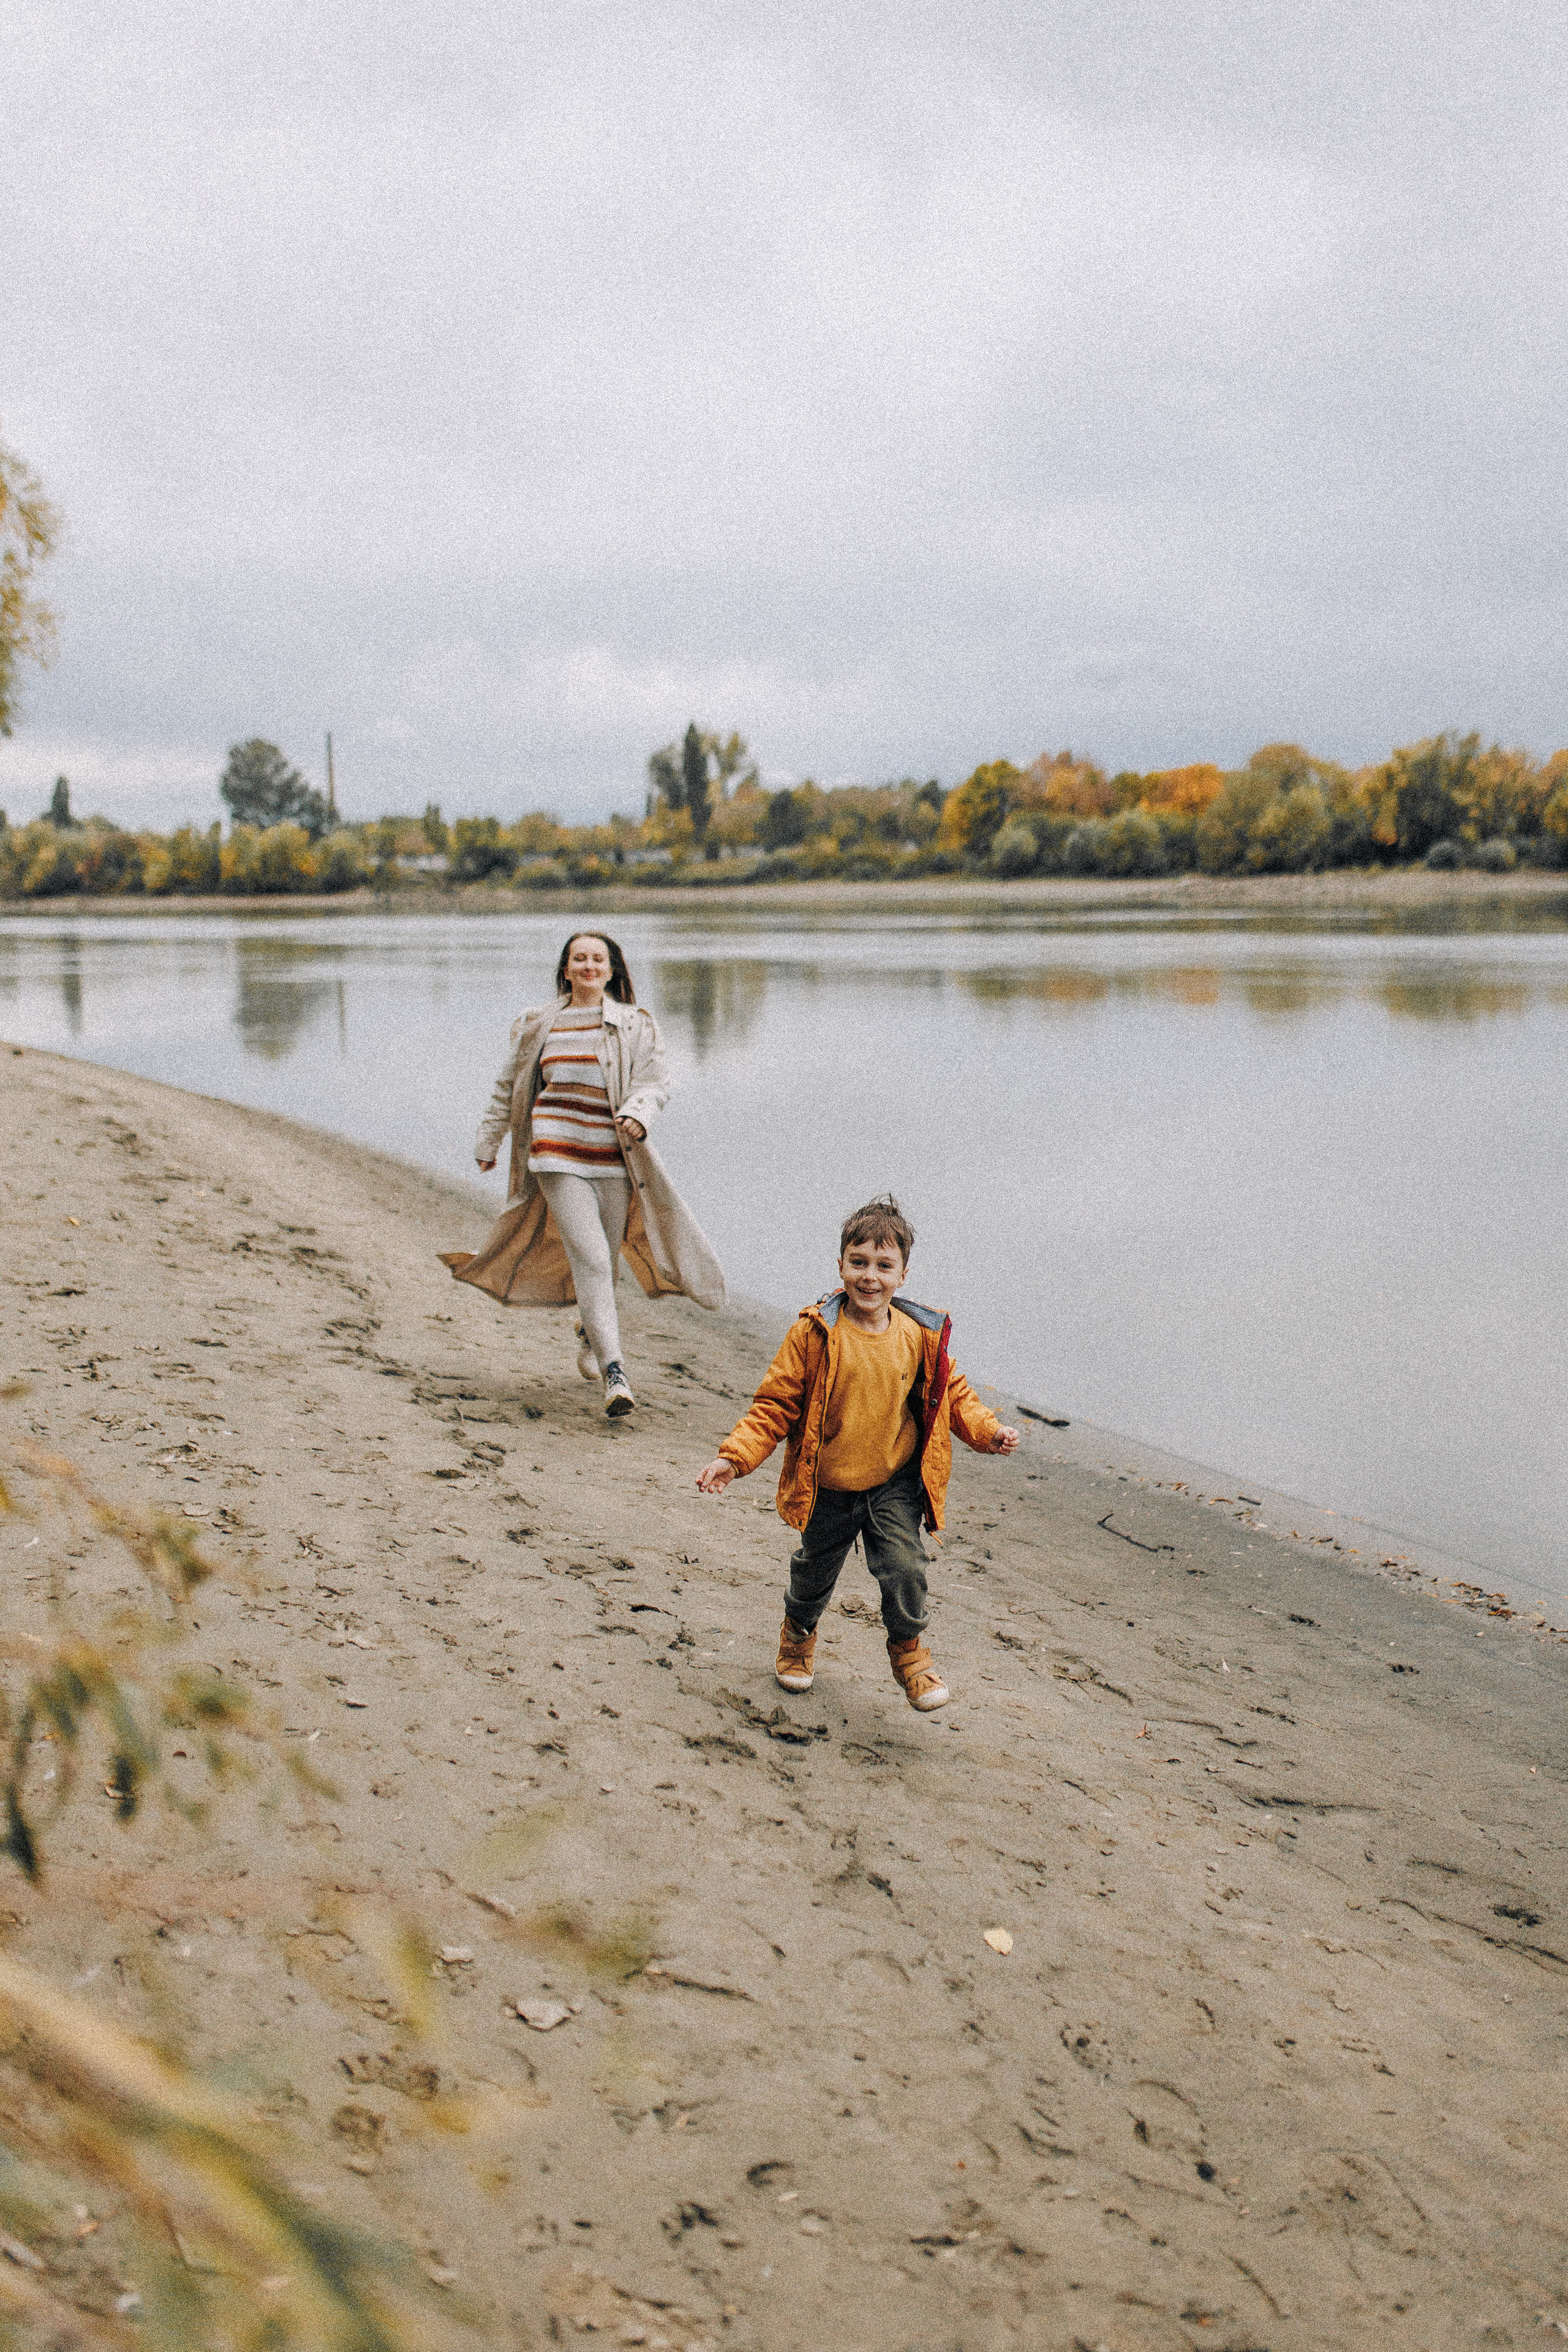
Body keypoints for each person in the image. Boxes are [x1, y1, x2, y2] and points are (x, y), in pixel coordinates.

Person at [696, 1193, 1018, 1709]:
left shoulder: (919, 1336)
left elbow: (954, 1395)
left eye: (884, 1266)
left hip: (892, 1483)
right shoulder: (815, 1334)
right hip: (827, 1485)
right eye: (859, 1262)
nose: (871, 1277)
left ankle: (909, 1654)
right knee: (812, 1575)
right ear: (841, 1265)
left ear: (903, 1275)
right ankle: (798, 1637)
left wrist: (988, 1432)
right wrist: (733, 1459)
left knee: (906, 1569)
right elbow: (774, 1406)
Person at [440, 931, 725, 1415]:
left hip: (614, 1159)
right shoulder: (537, 1025)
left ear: (612, 970)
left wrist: (639, 1112)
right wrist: (489, 1141)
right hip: (554, 1156)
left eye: (599, 959)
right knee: (592, 1259)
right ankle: (616, 1373)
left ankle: (589, 1331)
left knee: (605, 1262)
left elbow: (655, 1081)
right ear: (566, 969)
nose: (589, 966)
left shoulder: (635, 1024)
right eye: (580, 959)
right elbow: (508, 1087)